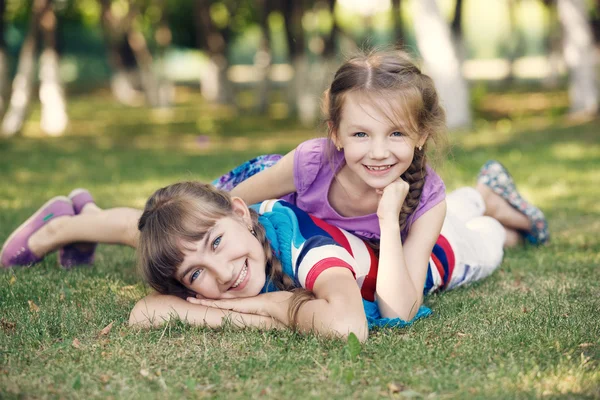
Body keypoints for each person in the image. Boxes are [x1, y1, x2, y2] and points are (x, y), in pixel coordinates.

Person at [1, 50, 548, 329]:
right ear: (335, 133)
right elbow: (231, 195)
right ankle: (67, 224)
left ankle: (499, 203)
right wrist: (208, 209)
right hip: (278, 212)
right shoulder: (314, 161)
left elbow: (400, 311)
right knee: (172, 225)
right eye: (360, 134)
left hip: (380, 254)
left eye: (396, 134)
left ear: (421, 134)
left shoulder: (425, 198)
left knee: (485, 237)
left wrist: (387, 216)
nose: (377, 152)